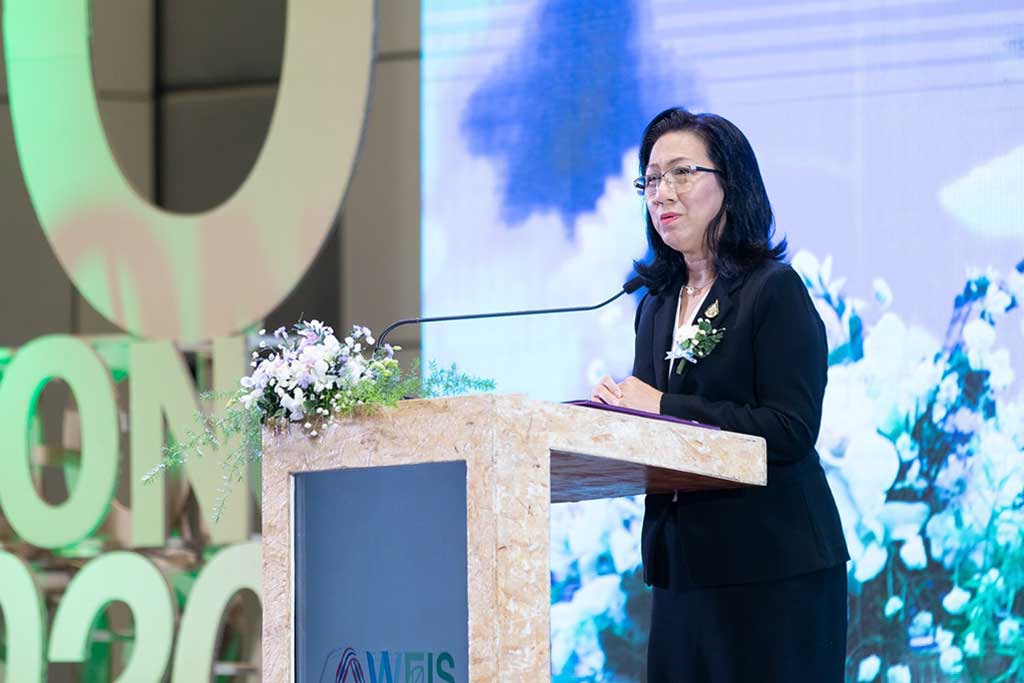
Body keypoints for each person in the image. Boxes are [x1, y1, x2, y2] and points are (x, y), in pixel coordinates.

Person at [591, 107, 849, 683]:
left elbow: (789, 429)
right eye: (651, 179)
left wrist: (662, 407)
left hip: (773, 568)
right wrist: (612, 419)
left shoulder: (773, 291)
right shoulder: (656, 305)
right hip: (683, 571)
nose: (663, 193)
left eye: (682, 173)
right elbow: (655, 432)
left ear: (731, 183)